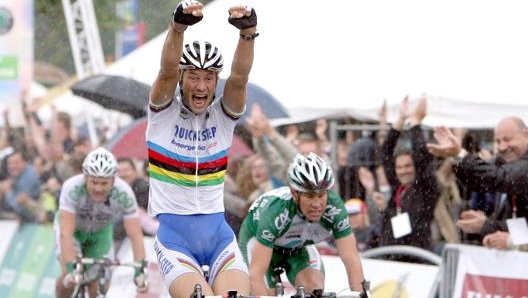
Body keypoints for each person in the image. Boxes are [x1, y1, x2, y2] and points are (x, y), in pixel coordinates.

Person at [146, 1, 257, 297]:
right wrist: (178, 28)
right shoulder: (163, 114)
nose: (201, 85)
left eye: (208, 78)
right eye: (193, 76)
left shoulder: (222, 117)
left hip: (219, 236)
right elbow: (166, 72)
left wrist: (248, 34)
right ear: (183, 80)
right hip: (175, 240)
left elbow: (240, 78)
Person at [238, 153, 366, 296]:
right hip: (257, 244)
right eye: (310, 196)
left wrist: (360, 294)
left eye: (321, 195)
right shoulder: (277, 212)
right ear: (294, 194)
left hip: (297, 247)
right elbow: (255, 275)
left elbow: (352, 260)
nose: (317, 204)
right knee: (266, 294)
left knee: (313, 289)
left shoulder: (335, 209)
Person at [54, 147, 148, 298]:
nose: (98, 188)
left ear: (113, 180)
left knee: (97, 286)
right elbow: (66, 233)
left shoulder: (124, 193)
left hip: (100, 234)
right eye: (94, 182)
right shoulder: (72, 188)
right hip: (73, 232)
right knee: (69, 277)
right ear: (85, 177)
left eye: (104, 183)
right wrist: (72, 269)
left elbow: (135, 235)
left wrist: (140, 270)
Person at [426, 116, 528, 250]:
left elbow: (495, 177)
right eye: (498, 141)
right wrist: (486, 226)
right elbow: (477, 179)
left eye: (507, 139)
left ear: (526, 135)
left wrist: (459, 153)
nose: (502, 147)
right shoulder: (504, 163)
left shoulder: (515, 169)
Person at [377, 96, 439, 260]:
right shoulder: (398, 187)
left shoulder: (425, 186)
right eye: (399, 167)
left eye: (407, 166)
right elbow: (385, 153)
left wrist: (415, 123)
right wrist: (400, 121)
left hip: (416, 256)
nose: (403, 171)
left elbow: (421, 157)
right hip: (392, 253)